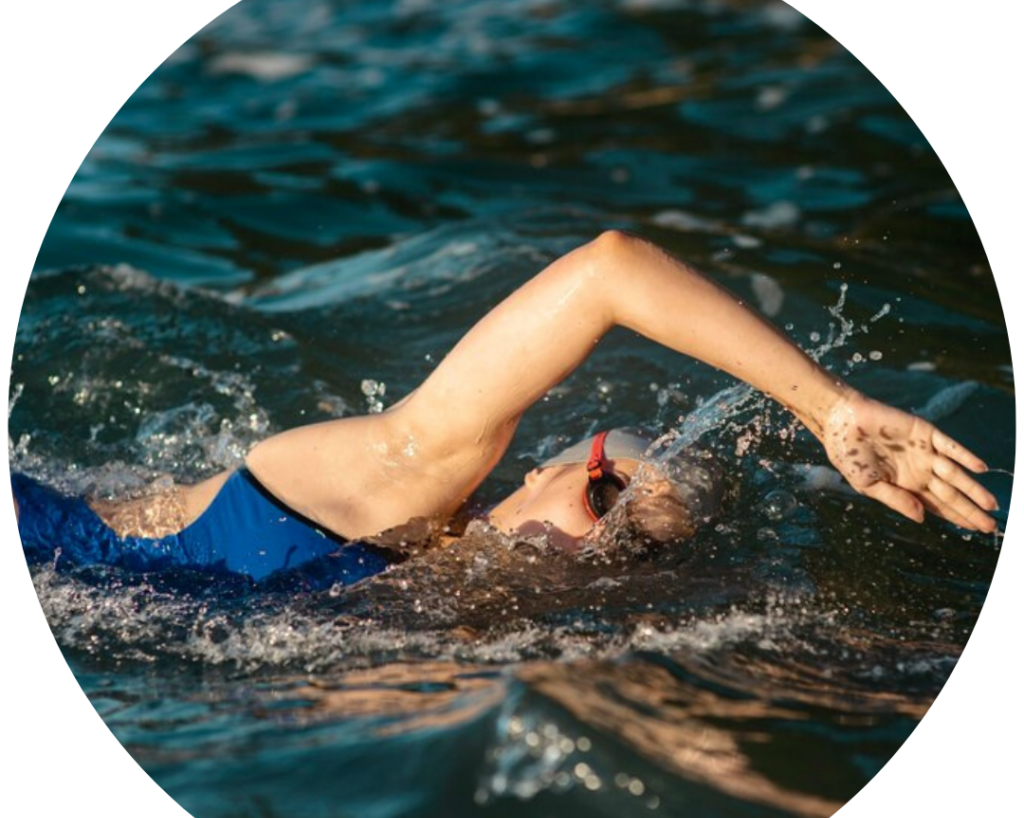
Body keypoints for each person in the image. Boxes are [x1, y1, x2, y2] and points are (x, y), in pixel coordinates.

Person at [11, 230, 999, 585]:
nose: (602, 546)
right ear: (543, 465)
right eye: (609, 499)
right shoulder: (393, 481)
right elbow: (609, 274)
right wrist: (828, 409)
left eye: (641, 549)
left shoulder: (468, 626)